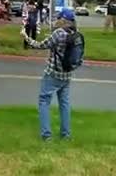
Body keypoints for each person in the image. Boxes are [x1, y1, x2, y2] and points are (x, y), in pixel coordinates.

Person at [22, 8, 80, 141]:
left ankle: (46, 135)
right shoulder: (76, 34)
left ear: (63, 20)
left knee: (44, 101)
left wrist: (26, 37)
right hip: (67, 74)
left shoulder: (58, 34)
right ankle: (66, 134)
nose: (57, 20)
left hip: (53, 73)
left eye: (59, 18)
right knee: (64, 104)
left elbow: (40, 45)